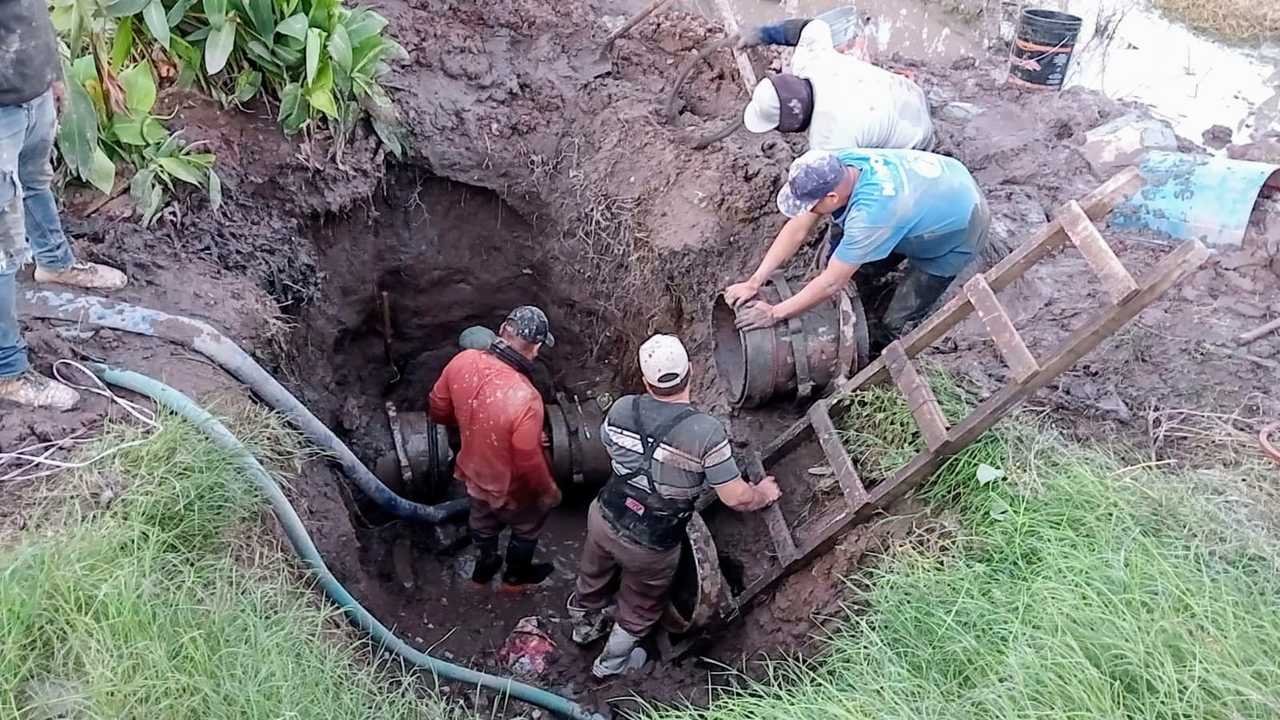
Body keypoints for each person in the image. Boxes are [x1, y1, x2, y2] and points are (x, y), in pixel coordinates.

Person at [567, 334, 782, 678]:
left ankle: (582, 629)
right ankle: (608, 667)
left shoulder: (622, 408)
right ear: (691, 373)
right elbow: (735, 497)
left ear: (645, 380)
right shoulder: (706, 433)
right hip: (651, 543)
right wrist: (763, 493)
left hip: (604, 517)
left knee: (593, 575)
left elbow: (609, 445)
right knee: (639, 606)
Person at [726, 148, 989, 346]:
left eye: (811, 205)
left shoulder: (870, 218)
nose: (808, 212)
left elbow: (831, 284)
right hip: (931, 190)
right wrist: (754, 281)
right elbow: (798, 228)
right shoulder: (836, 164)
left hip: (962, 225)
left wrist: (774, 313)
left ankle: (882, 343)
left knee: (896, 321)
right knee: (858, 265)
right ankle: (868, 276)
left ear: (831, 197)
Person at [1, 0, 128, 410]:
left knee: (37, 180)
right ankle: (7, 372)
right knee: (2, 245)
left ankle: (55, 263)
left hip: (31, 92)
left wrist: (53, 75)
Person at [429, 306, 563, 589]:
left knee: (482, 522)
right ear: (536, 348)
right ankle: (513, 581)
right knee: (527, 528)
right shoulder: (525, 397)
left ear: (503, 329)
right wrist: (547, 491)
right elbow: (529, 459)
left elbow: (438, 410)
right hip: (513, 488)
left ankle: (484, 568)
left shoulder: (462, 362)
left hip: (474, 475)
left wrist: (471, 423)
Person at [740, 19, 934, 152]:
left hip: (917, 141)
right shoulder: (811, 60)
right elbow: (809, 26)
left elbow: (841, 187)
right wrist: (762, 34)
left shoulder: (828, 140)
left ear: (789, 125)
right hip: (912, 93)